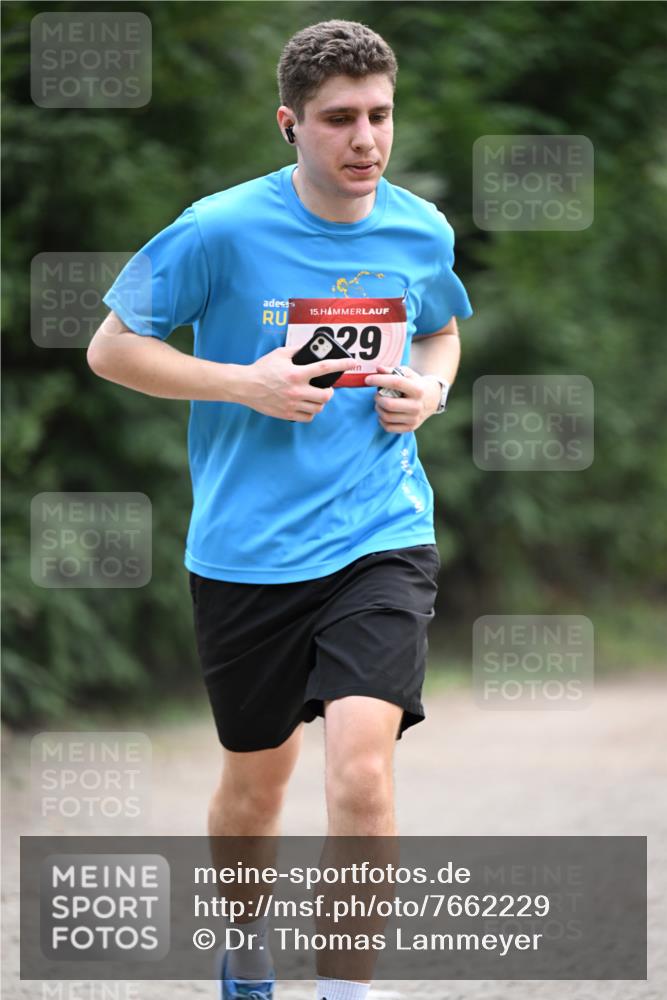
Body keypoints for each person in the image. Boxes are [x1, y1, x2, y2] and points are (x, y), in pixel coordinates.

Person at [87, 18, 472, 1000]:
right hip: (245, 552)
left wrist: (429, 392)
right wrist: (239, 384)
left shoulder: (419, 229)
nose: (365, 140)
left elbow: (439, 336)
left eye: (379, 115)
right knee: (255, 791)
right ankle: (243, 942)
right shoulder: (219, 229)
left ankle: (346, 988)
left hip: (378, 535)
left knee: (360, 772)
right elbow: (112, 348)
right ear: (289, 125)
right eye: (339, 118)